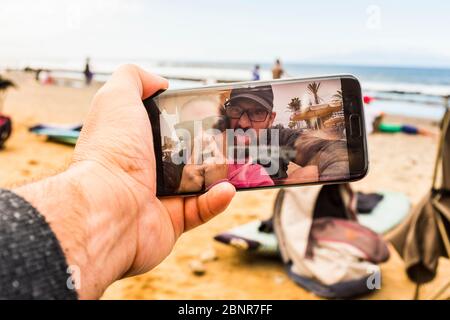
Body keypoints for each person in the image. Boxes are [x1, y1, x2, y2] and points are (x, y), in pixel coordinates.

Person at [0, 65, 236, 299]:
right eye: (190, 128)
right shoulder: (164, 173)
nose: (204, 137)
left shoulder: (249, 171)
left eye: (214, 127)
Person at [176, 85, 350, 193]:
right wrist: (183, 190)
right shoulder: (202, 147)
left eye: (257, 112)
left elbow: (335, 152)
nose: (243, 123)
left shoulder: (280, 139)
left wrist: (327, 189)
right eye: (237, 110)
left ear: (271, 118)